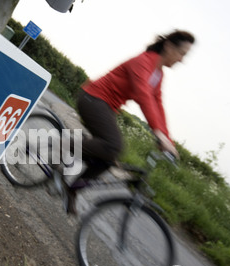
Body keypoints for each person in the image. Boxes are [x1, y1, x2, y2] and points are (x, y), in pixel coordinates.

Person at [66, 30, 195, 215]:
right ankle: (62, 146)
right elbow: (143, 95)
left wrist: (168, 141)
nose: (182, 59)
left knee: (107, 160)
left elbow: (158, 104)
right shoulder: (144, 62)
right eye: (182, 53)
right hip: (93, 98)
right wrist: (157, 132)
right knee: (113, 146)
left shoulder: (158, 75)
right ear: (168, 46)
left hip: (107, 107)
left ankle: (73, 189)